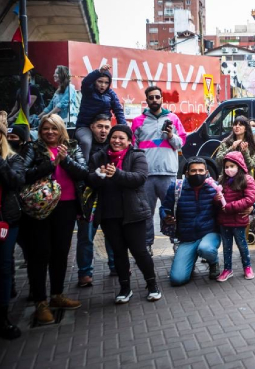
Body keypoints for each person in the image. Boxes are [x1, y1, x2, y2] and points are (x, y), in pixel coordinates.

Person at [20, 113, 88, 324]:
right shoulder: (33, 148)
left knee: (60, 252)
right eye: (45, 129)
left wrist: (65, 160)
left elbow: (84, 173)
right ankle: (40, 302)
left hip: (66, 206)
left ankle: (57, 295)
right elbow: (22, 174)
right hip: (39, 208)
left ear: (61, 130)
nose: (50, 132)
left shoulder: (73, 147)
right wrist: (51, 164)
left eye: (54, 128)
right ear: (40, 131)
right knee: (40, 254)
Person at [86, 125, 160, 304]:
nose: (116, 141)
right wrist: (98, 175)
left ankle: (152, 285)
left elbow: (140, 178)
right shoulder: (98, 157)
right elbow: (89, 180)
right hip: (109, 214)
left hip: (134, 212)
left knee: (140, 251)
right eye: (114, 137)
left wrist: (117, 174)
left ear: (129, 141)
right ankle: (125, 288)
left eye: (121, 138)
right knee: (118, 253)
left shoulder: (137, 155)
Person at [131, 86, 187, 256]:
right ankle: (147, 244)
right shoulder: (137, 121)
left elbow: (181, 143)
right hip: (145, 175)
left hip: (168, 172)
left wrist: (171, 136)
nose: (154, 100)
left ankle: (176, 242)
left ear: (162, 99)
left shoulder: (173, 118)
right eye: (151, 97)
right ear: (146, 100)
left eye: (157, 97)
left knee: (172, 210)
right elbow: (133, 148)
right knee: (146, 212)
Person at [161, 158, 222, 286]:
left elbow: (228, 205)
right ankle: (190, 260)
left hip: (209, 234)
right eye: (193, 171)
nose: (197, 174)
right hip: (187, 238)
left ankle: (213, 262)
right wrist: (166, 216)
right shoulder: (176, 187)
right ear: (187, 173)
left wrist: (219, 202)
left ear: (206, 172)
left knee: (205, 248)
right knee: (177, 279)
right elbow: (164, 208)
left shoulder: (214, 188)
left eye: (201, 170)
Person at [76, 114, 116, 286]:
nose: (103, 130)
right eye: (100, 126)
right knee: (86, 236)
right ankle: (85, 273)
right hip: (88, 197)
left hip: (109, 196)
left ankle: (115, 266)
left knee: (113, 234)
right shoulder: (83, 146)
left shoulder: (113, 145)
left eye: (107, 127)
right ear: (91, 127)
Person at [0, 112, 25, 340]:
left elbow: (16, 182)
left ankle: (4, 317)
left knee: (4, 267)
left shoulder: (13, 158)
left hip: (6, 220)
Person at [215, 151, 255, 282]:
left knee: (242, 245)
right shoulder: (222, 180)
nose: (228, 169)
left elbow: (249, 199)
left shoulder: (247, 179)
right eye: (226, 167)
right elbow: (215, 199)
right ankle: (227, 269)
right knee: (226, 247)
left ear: (239, 165)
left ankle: (247, 267)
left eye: (232, 166)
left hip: (239, 220)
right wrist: (216, 199)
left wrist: (230, 206)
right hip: (224, 221)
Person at [74, 65, 126, 158]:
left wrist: (124, 129)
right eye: (100, 81)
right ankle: (83, 167)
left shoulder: (111, 94)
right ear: (95, 81)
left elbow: (118, 111)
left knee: (117, 141)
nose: (103, 85)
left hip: (104, 127)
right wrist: (98, 72)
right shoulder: (88, 91)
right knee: (86, 142)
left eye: (106, 82)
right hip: (85, 126)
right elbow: (85, 82)